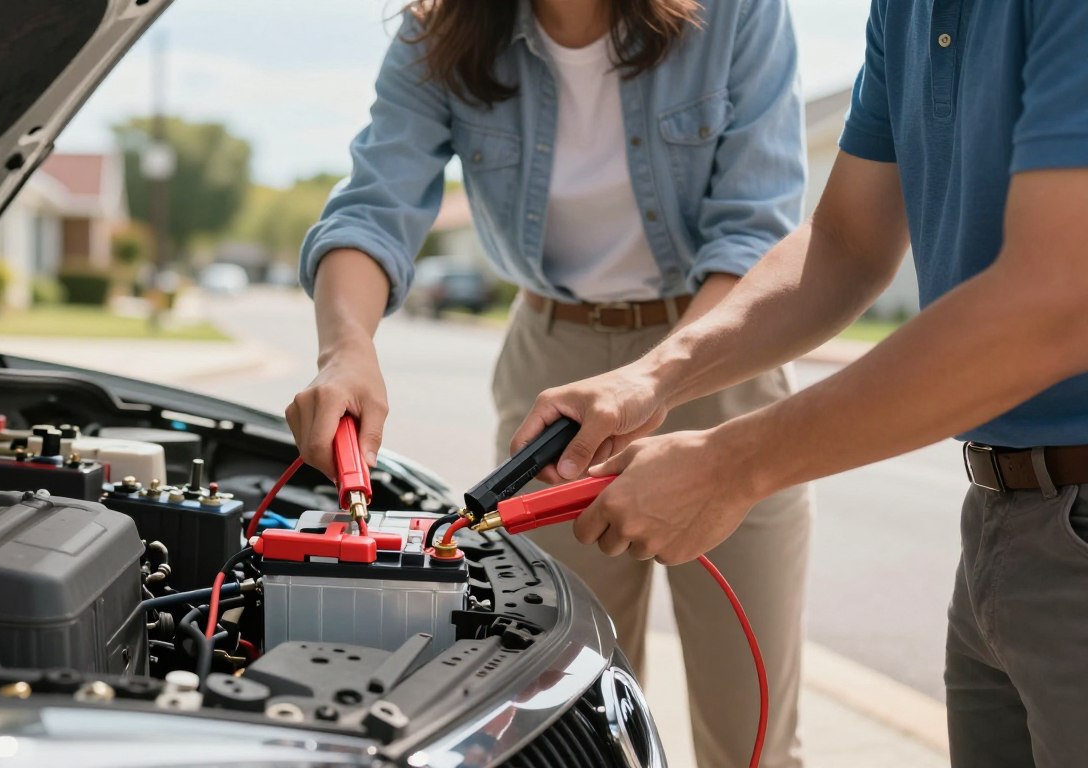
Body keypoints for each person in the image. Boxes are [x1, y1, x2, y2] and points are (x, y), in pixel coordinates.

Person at [510, 1, 1088, 764]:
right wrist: (652, 377)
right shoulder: (905, 12)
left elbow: (1055, 303)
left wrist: (730, 466)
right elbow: (848, 242)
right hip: (999, 523)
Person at [287, 0, 810, 764]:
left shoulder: (735, 12)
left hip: (722, 355)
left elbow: (756, 230)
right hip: (553, 369)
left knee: (751, 732)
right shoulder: (442, 31)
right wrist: (345, 348)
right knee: (564, 714)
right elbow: (374, 207)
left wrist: (651, 379)